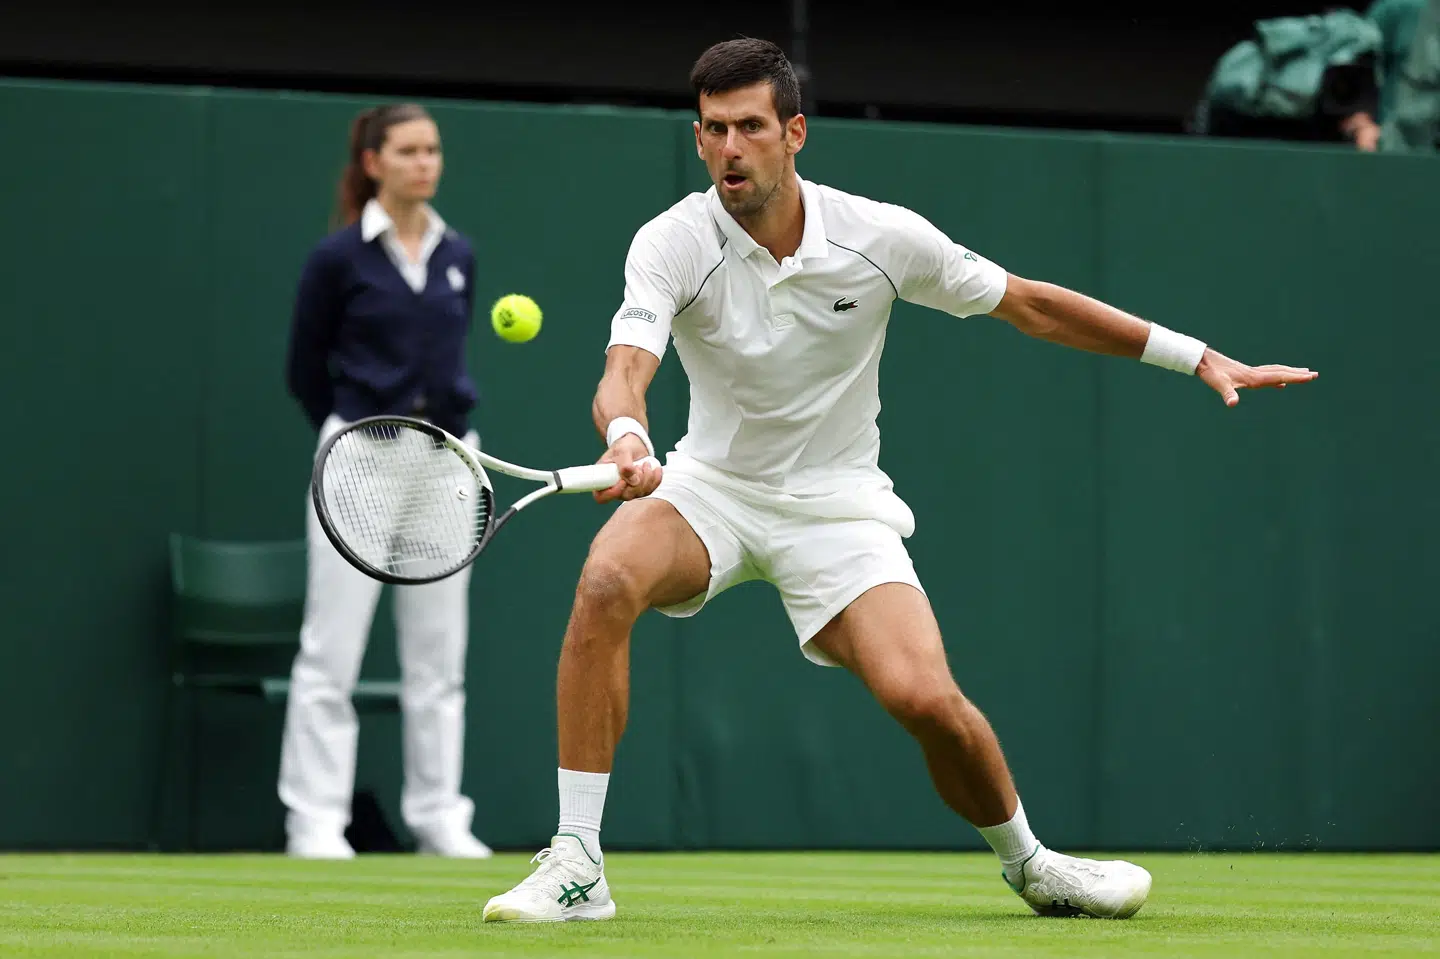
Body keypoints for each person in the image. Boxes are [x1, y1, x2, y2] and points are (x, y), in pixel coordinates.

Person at [482, 39, 1318, 921]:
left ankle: (1032, 862)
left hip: (839, 509)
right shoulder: (673, 241)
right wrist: (624, 432)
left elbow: (1029, 303)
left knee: (926, 699)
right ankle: (578, 863)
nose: (731, 148)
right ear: (698, 141)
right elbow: (626, 365)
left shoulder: (882, 237)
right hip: (710, 490)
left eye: (751, 128)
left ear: (794, 132)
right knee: (608, 577)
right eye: (714, 130)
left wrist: (1194, 357)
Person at [280, 103, 492, 860]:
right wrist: (351, 436)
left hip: (447, 464)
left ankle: (440, 817)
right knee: (330, 649)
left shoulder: (457, 251)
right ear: (374, 162)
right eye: (408, 150)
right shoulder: (336, 259)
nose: (424, 163)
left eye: (432, 150)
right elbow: (305, 370)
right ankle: (314, 822)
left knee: (439, 657)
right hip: (358, 459)